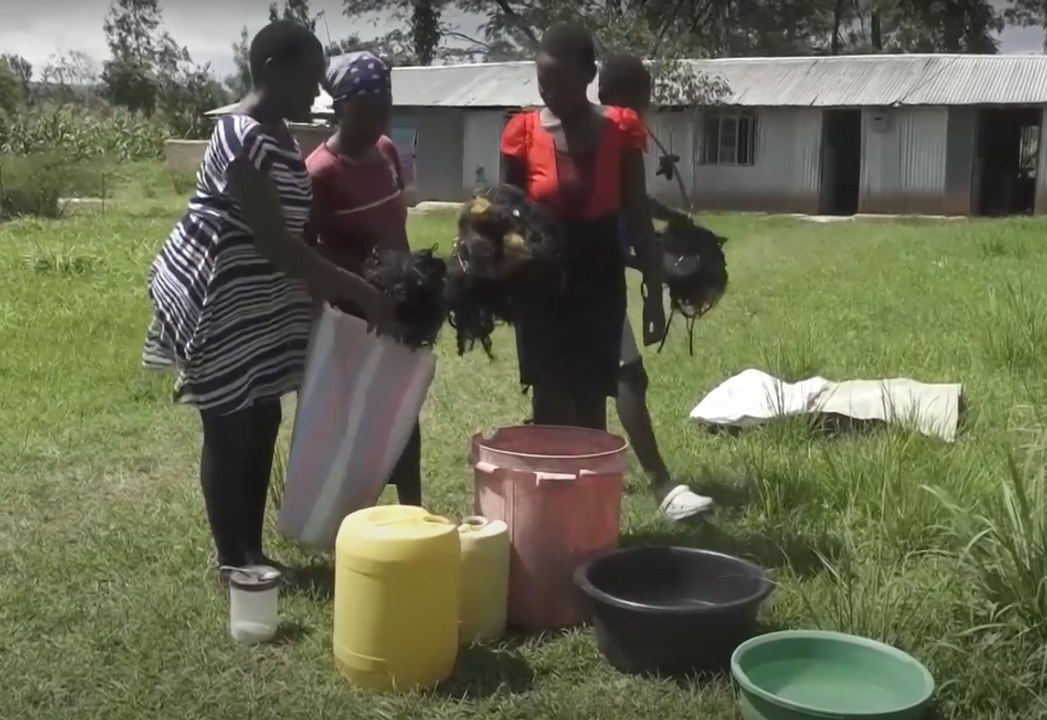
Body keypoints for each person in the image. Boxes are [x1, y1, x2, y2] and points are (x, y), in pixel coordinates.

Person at [142, 22, 391, 581]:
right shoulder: (239, 136)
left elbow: (294, 236)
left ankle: (251, 553)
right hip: (217, 297)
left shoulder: (278, 133)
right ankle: (230, 560)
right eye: (309, 78)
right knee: (229, 424)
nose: (317, 92)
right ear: (273, 70)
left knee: (261, 416)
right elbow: (277, 243)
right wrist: (360, 292)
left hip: (258, 300)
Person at [500, 24, 665, 434]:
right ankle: (551, 475)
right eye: (543, 82)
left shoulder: (622, 130)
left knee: (591, 403)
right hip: (541, 288)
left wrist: (653, 297)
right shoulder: (522, 133)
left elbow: (638, 216)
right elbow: (506, 217)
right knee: (549, 400)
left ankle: (591, 475)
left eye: (562, 82)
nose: (550, 92)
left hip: (599, 286)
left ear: (590, 76)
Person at [598, 54, 714, 521]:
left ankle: (585, 473)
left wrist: (670, 216)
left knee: (583, 381)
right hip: (595, 274)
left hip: (582, 270)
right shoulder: (618, 132)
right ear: (627, 95)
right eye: (644, 95)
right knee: (627, 376)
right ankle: (660, 483)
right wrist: (654, 269)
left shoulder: (585, 127)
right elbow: (618, 215)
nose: (647, 106)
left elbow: (632, 200)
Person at [305, 52, 422, 506]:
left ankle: (412, 513)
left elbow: (396, 225)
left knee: (404, 412)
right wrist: (364, 278)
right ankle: (353, 518)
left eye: (383, 111)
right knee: (356, 421)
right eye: (366, 112)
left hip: (399, 307)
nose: (376, 123)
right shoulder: (320, 171)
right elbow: (309, 249)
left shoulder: (387, 151)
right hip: (354, 316)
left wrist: (412, 285)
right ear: (339, 108)